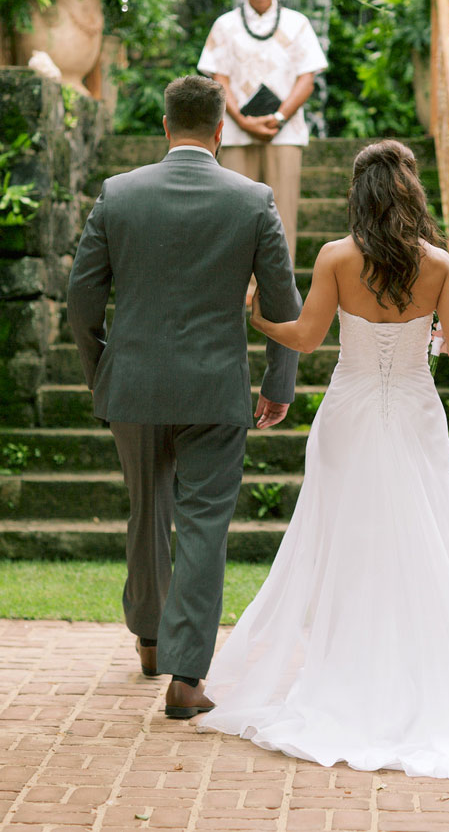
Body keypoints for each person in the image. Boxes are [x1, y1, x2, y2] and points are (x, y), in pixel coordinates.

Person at [200, 140, 449, 781]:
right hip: (413, 413)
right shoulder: (437, 265)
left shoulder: (336, 258)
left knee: (347, 541)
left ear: (360, 195)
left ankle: (349, 670)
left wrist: (260, 319)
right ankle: (420, 671)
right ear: (410, 193)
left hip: (347, 414)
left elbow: (308, 338)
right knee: (428, 535)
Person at [67, 75, 302, 720]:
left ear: (166, 128)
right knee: (203, 525)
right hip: (215, 390)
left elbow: (81, 303)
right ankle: (186, 679)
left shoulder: (118, 194)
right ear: (221, 130)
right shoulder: (253, 200)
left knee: (147, 508)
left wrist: (101, 372)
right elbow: (283, 306)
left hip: (134, 387)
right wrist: (277, 384)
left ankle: (148, 637)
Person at [197, 0, 328, 267]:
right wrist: (242, 120)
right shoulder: (226, 25)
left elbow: (306, 79)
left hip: (284, 133)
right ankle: (238, 288)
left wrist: (279, 117)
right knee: (235, 212)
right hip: (238, 132)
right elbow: (219, 78)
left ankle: (279, 292)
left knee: (283, 213)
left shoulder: (298, 24)